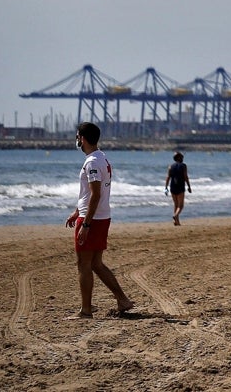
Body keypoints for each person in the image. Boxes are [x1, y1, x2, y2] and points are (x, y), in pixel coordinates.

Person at [66, 122, 133, 318]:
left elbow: (95, 194)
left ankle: (86, 310)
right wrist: (76, 211)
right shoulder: (101, 157)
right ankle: (122, 300)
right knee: (96, 263)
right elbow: (91, 194)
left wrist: (85, 223)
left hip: (93, 219)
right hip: (100, 216)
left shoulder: (92, 162)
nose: (77, 140)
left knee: (84, 265)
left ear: (83, 139)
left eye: (78, 136)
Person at [165, 151, 191, 226]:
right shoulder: (183, 166)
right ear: (179, 158)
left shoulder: (170, 166)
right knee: (181, 205)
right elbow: (185, 177)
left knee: (176, 204)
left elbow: (168, 177)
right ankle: (175, 216)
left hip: (172, 186)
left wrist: (166, 187)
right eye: (182, 157)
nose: (183, 158)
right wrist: (189, 186)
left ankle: (177, 222)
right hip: (180, 186)